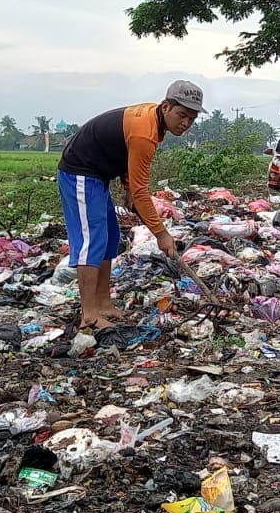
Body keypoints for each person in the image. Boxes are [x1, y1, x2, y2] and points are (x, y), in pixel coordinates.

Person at [56, 80, 203, 328]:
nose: (186, 124)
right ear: (166, 106)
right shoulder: (145, 131)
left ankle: (103, 303)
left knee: (110, 237)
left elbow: (127, 159)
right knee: (91, 241)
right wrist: (161, 234)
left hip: (98, 176)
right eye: (182, 115)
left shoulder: (155, 124)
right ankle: (89, 314)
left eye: (191, 118)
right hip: (79, 172)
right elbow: (141, 191)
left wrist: (128, 189)